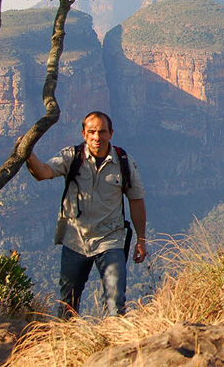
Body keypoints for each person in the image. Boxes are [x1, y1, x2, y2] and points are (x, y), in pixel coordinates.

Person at [26, 111, 147, 318]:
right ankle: (66, 345)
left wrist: (141, 239)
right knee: (67, 303)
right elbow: (42, 173)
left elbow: (136, 200)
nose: (96, 137)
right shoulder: (71, 157)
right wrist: (27, 152)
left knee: (115, 301)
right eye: (91, 132)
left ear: (111, 133)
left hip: (110, 239)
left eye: (102, 132)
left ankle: (115, 346)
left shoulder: (124, 162)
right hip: (75, 240)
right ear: (83, 133)